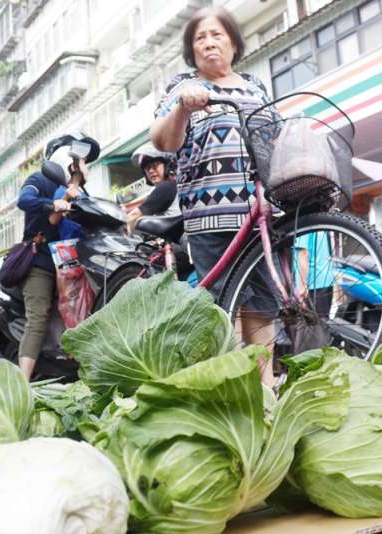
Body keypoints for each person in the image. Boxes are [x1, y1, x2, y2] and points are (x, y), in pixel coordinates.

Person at [150, 6, 281, 386]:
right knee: (225, 307)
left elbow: (272, 137)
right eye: (200, 37)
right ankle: (235, 387)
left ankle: (266, 387)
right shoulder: (182, 86)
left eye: (216, 34)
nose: (208, 43)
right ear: (192, 50)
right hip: (210, 213)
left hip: (258, 213)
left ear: (233, 42)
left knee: (262, 303)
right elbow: (163, 141)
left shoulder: (255, 86)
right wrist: (183, 108)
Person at [16, 131, 100, 380]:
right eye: (82, 160)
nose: (86, 167)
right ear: (68, 158)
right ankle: (22, 383)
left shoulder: (82, 193)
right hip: (41, 263)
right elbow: (25, 200)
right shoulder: (41, 180)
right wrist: (53, 204)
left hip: (73, 266)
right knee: (38, 318)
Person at [126, 143, 178, 235]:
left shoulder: (166, 187)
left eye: (155, 165)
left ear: (167, 166)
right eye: (147, 168)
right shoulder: (170, 186)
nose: (151, 171)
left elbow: (134, 216)